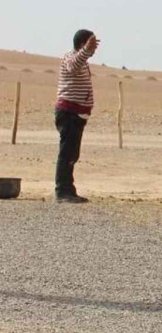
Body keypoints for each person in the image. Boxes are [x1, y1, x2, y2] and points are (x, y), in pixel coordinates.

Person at [54, 29, 99, 204]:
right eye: (90, 45)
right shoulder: (69, 58)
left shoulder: (83, 61)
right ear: (83, 45)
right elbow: (73, 65)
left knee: (72, 153)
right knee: (66, 153)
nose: (94, 49)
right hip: (68, 113)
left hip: (77, 114)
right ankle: (62, 191)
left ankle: (68, 190)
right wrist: (86, 50)